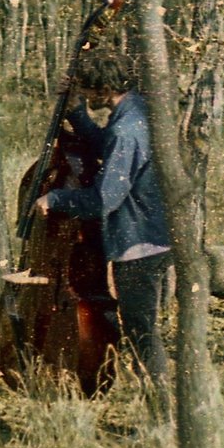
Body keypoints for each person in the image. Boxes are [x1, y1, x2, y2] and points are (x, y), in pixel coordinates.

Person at [35, 46, 172, 412]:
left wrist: (57, 200)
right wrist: (79, 116)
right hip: (153, 236)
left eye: (87, 91)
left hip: (138, 241)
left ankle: (163, 415)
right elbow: (108, 149)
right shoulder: (136, 112)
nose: (85, 95)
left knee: (143, 333)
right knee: (144, 329)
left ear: (101, 89)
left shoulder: (126, 129)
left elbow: (104, 199)